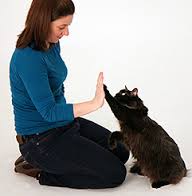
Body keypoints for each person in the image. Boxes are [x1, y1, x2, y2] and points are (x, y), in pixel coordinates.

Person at [9, 0, 129, 189]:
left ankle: (59, 160)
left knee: (121, 152)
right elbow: (48, 112)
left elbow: (56, 84)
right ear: (42, 22)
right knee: (115, 175)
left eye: (68, 26)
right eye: (62, 27)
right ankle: (41, 170)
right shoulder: (28, 58)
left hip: (64, 125)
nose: (66, 33)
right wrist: (94, 103)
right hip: (40, 139)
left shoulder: (51, 43)